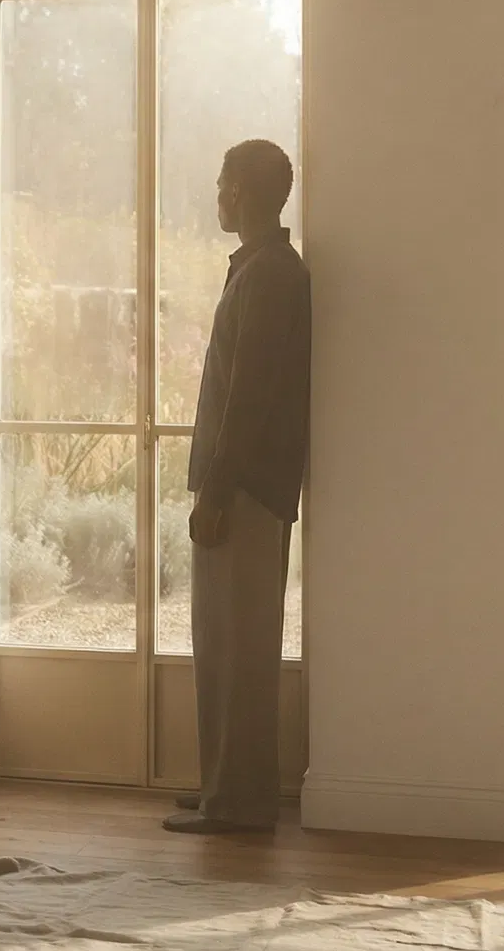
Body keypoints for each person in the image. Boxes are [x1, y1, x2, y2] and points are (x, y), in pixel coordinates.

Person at [163, 138, 311, 835]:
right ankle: (224, 784)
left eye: (224, 183)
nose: (217, 195)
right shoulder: (258, 269)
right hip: (240, 488)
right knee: (223, 646)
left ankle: (240, 802)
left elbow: (248, 396)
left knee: (241, 651)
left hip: (247, 492)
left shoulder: (274, 274)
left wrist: (216, 492)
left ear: (246, 193)